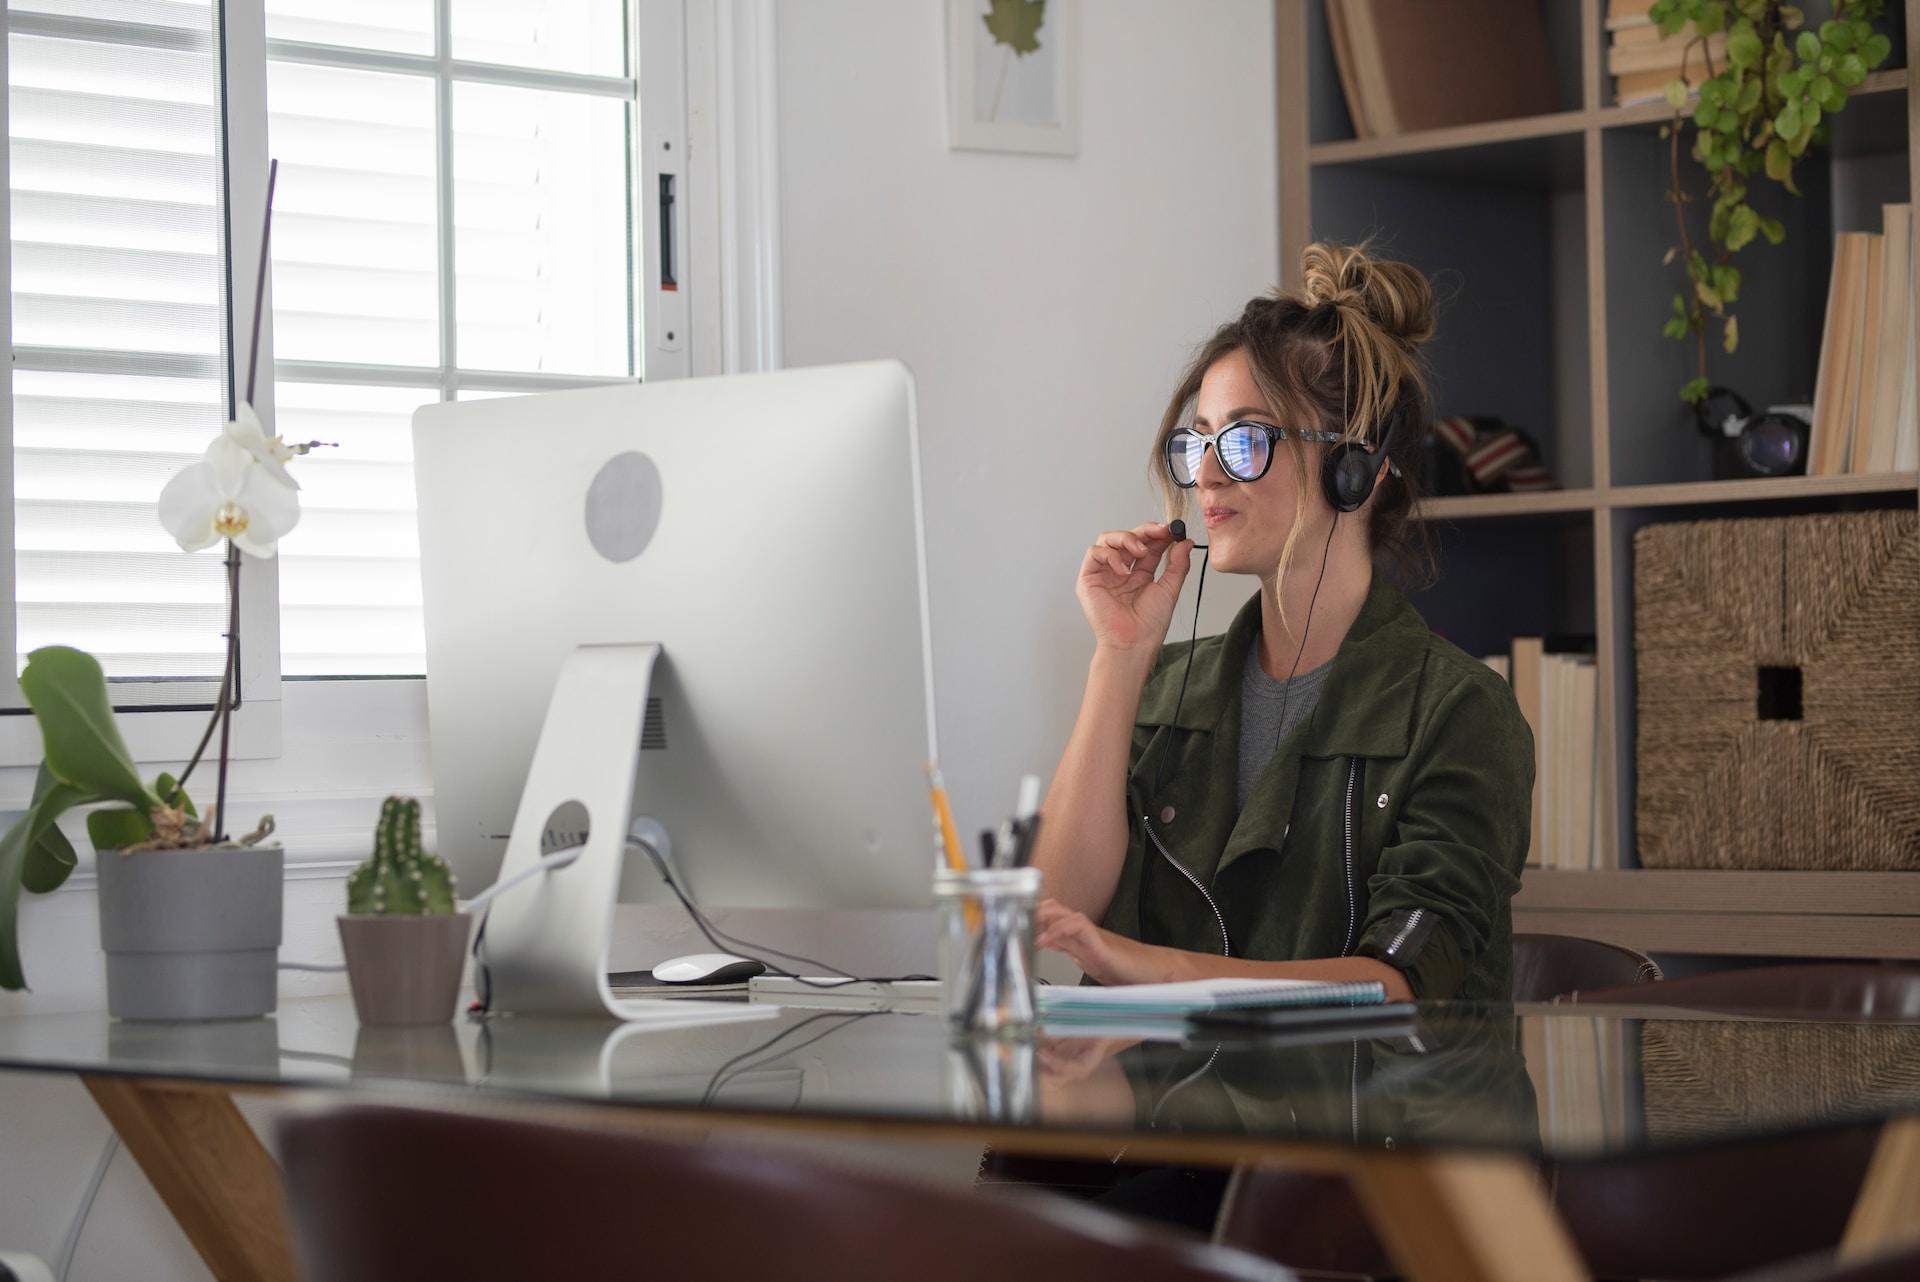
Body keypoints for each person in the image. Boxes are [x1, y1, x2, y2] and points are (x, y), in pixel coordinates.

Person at [1029, 239, 1533, 1006]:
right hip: (1170, 1117)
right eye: (1197, 440)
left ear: (1352, 470)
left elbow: (1399, 982)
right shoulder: (1167, 689)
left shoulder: (1459, 713)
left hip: (1370, 1117)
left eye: (1244, 438)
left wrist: (1153, 971)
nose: (1204, 473)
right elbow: (1059, 914)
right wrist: (1120, 656)